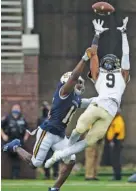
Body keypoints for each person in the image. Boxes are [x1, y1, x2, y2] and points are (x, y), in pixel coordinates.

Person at [3, 34, 99, 191]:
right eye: (78, 83)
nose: (81, 85)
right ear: (67, 82)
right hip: (47, 132)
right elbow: (74, 76)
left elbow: (92, 101)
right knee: (35, 163)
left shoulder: (74, 99)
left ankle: (55, 188)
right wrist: (84, 58)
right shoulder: (63, 92)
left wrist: (108, 98)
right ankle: (15, 147)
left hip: (60, 135)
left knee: (71, 160)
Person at [45, 17, 130, 170]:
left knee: (80, 132)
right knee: (86, 140)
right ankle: (63, 153)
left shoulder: (98, 76)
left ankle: (61, 154)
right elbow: (126, 56)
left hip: (98, 106)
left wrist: (97, 35)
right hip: (109, 111)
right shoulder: (122, 78)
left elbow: (93, 54)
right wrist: (124, 34)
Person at [1, 104, 29, 179]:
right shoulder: (7, 118)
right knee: (9, 154)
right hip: (10, 140)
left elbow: (27, 129)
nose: (16, 109)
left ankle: (15, 176)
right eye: (14, 108)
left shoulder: (22, 118)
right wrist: (3, 135)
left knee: (17, 158)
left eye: (17, 108)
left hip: (19, 141)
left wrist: (26, 137)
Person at [37, 101, 59, 180]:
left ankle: (55, 174)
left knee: (55, 158)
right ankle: (47, 174)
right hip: (45, 141)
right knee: (46, 158)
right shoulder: (40, 119)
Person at [107, 113, 125, 180]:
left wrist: (112, 141)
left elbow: (117, 132)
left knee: (115, 159)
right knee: (115, 159)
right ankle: (116, 175)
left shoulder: (118, 120)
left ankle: (117, 175)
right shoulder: (115, 119)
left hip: (116, 141)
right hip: (116, 141)